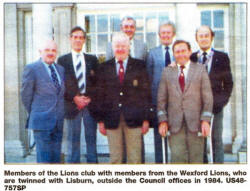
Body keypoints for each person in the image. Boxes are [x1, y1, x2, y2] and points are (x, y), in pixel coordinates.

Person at [96, 32, 151, 163]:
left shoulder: (140, 66)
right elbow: (99, 96)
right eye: (117, 46)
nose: (120, 49)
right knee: (115, 159)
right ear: (112, 48)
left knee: (135, 159)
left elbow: (146, 95)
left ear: (129, 47)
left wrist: (146, 119)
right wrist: (100, 121)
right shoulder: (104, 67)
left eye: (123, 46)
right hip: (111, 120)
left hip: (135, 120)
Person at [157, 40, 213, 163]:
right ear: (173, 54)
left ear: (189, 52)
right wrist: (163, 121)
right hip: (174, 124)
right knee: (177, 158)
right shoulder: (167, 72)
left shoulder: (200, 69)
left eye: (183, 51)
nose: (180, 54)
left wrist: (205, 120)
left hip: (196, 123)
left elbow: (208, 98)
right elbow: (161, 99)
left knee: (196, 159)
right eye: (177, 52)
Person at [191, 26, 233, 163]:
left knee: (216, 140)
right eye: (200, 36)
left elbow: (228, 84)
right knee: (199, 141)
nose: (203, 38)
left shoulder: (222, 57)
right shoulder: (192, 57)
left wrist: (220, 103)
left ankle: (218, 171)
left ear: (211, 37)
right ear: (197, 39)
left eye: (206, 35)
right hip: (197, 108)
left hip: (216, 107)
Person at [57, 26, 99, 163]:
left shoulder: (92, 60)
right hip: (72, 105)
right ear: (70, 39)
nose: (78, 40)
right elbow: (62, 84)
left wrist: (89, 98)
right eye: (75, 37)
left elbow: (98, 83)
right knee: (73, 141)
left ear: (84, 40)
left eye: (81, 37)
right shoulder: (63, 61)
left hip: (89, 105)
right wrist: (75, 98)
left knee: (91, 140)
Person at [21, 39, 65, 163]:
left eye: (53, 50)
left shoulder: (60, 69)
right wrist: (37, 112)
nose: (50, 53)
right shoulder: (32, 68)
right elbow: (26, 96)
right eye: (47, 50)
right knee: (44, 161)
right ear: (40, 52)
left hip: (58, 122)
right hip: (41, 122)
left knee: (56, 160)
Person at [146, 21, 176, 163]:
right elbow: (149, 79)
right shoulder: (152, 53)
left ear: (173, 34)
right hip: (159, 103)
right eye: (163, 33)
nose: (165, 35)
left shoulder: (179, 52)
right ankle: (160, 166)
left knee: (177, 138)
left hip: (177, 102)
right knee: (160, 137)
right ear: (159, 35)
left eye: (168, 32)